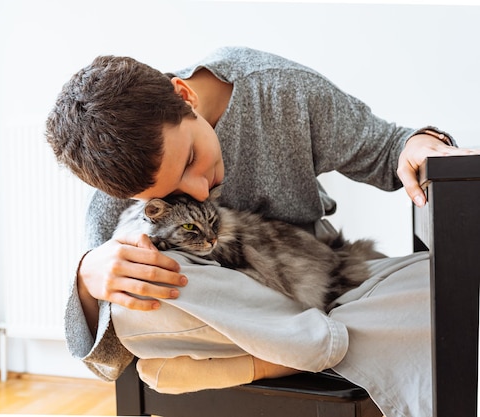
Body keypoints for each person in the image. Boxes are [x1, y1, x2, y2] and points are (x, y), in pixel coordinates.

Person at [45, 47, 478, 417]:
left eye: (191, 158)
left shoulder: (280, 90)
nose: (199, 189)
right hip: (243, 309)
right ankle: (308, 347)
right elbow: (107, 353)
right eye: (172, 190)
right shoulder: (120, 181)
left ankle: (268, 359)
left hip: (318, 283)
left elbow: (387, 150)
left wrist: (421, 143)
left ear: (184, 95)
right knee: (138, 305)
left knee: (457, 293)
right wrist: (87, 280)